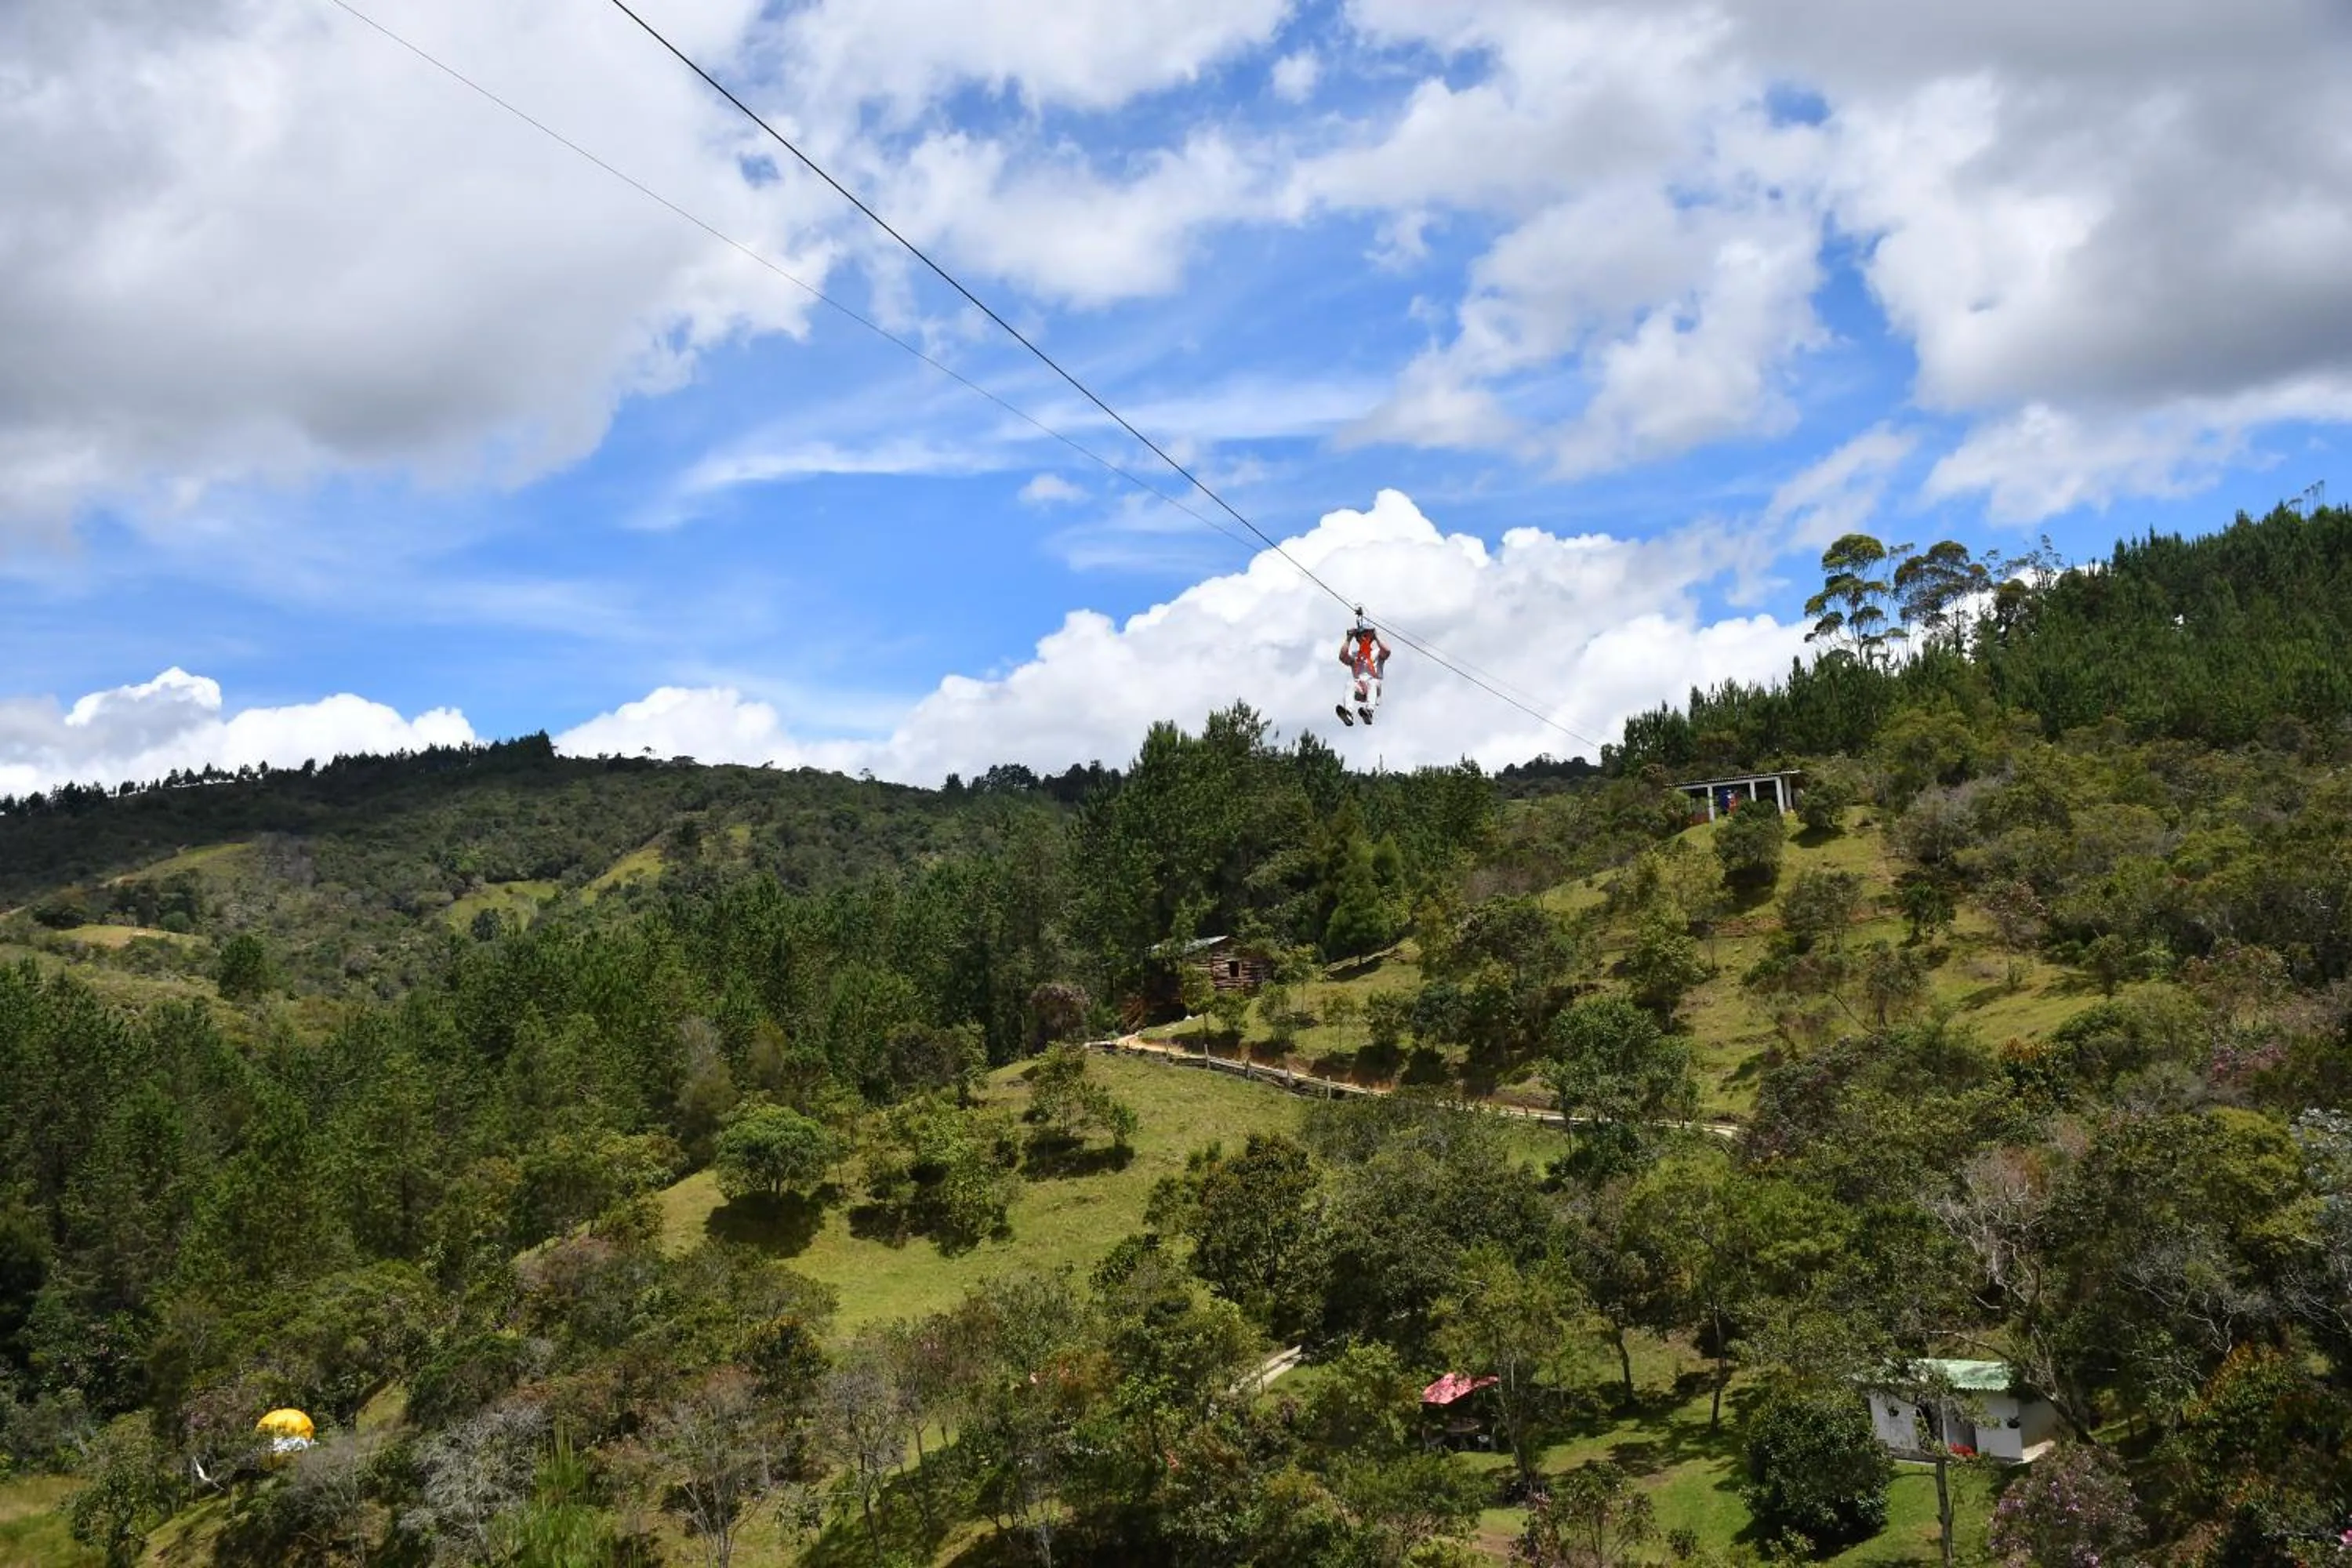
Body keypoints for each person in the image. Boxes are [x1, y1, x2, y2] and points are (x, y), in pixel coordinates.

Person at [1335, 611, 1390, 726]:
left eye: (1366, 635)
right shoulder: (1355, 655)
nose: (1364, 638)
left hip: (1373, 688)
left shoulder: (1376, 653)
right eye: (1361, 636)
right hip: (1360, 689)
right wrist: (1349, 638)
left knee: (1373, 682)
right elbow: (1342, 657)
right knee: (1350, 684)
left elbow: (1387, 652)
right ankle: (1348, 713)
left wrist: (1376, 636)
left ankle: (1369, 712)